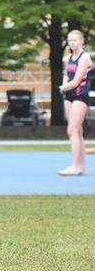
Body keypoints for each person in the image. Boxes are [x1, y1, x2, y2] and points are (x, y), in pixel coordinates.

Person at [57, 30, 91, 176]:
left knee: (71, 131)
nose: (72, 43)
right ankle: (82, 167)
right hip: (69, 96)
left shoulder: (85, 58)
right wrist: (64, 86)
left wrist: (63, 88)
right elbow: (66, 75)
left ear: (82, 41)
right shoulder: (68, 58)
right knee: (78, 132)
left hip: (80, 96)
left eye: (75, 40)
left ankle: (74, 166)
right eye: (70, 40)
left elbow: (77, 81)